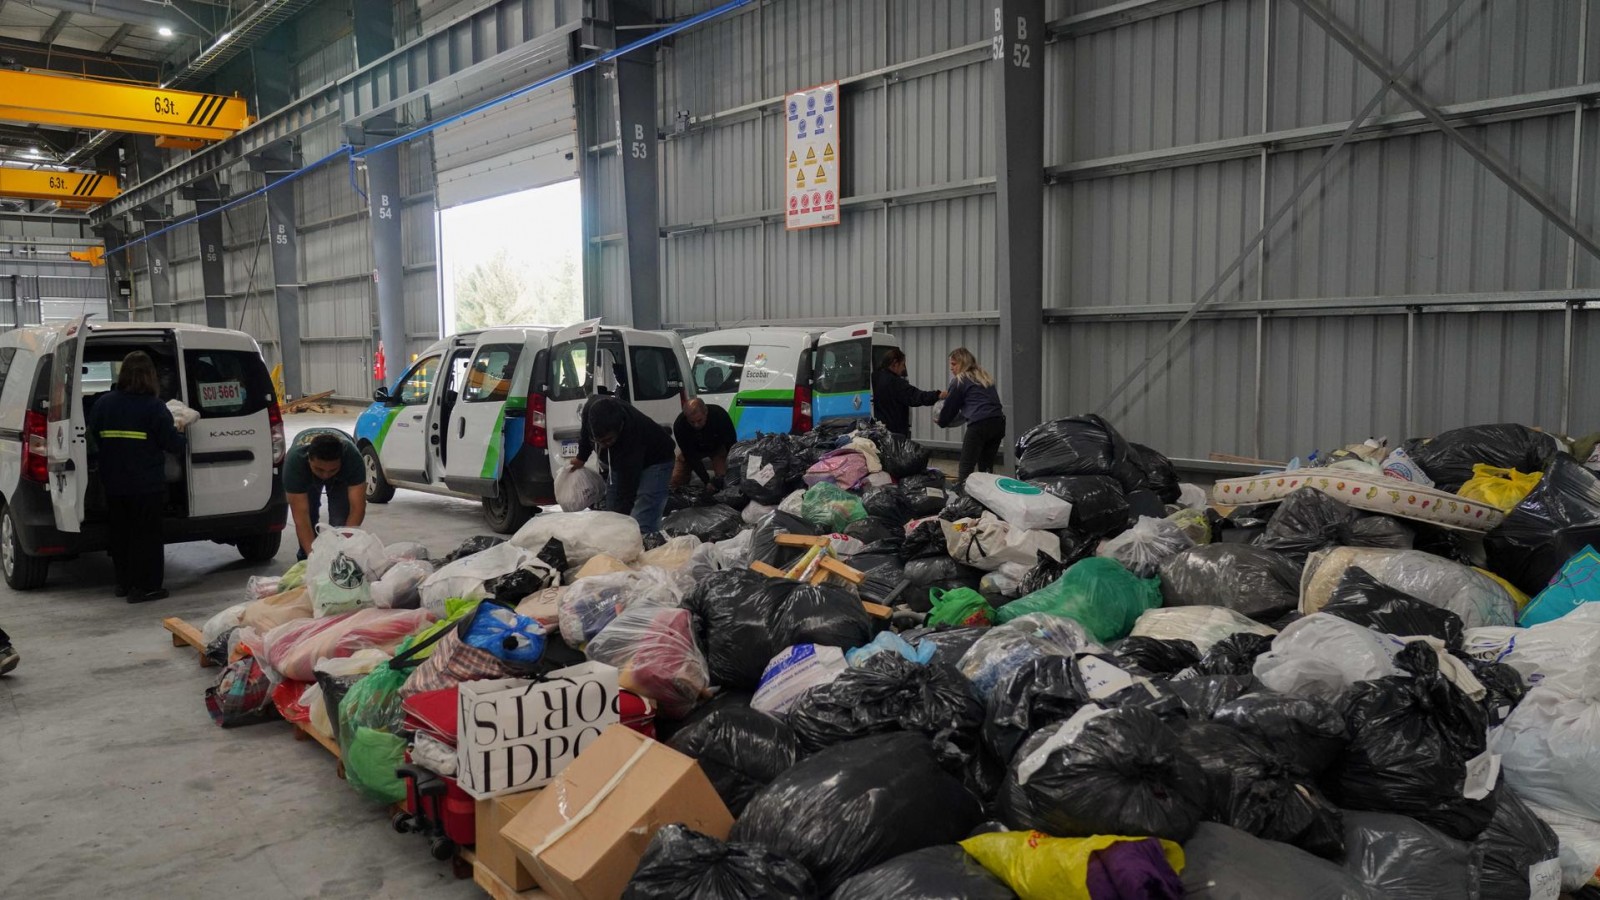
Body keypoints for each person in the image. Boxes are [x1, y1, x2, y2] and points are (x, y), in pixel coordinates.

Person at [87, 350, 187, 603]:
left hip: (114, 483)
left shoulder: (104, 404)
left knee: (121, 535)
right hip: (146, 485)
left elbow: (93, 438)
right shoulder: (154, 407)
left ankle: (124, 583)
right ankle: (147, 587)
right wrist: (180, 431)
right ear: (150, 376)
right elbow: (172, 444)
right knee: (147, 537)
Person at [571, 395, 674, 532]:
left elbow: (628, 489)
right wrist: (581, 458)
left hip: (657, 460)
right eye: (599, 441)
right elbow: (585, 434)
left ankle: (643, 541)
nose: (604, 445)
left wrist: (622, 523)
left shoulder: (632, 435)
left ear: (620, 427)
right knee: (611, 514)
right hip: (621, 461)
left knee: (642, 517)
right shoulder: (590, 410)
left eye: (608, 440)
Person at [284, 428, 368, 560]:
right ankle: (305, 559)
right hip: (306, 475)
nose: (325, 475)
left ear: (341, 461)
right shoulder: (295, 463)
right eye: (319, 469)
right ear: (309, 459)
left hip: (342, 477)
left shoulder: (352, 458)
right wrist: (313, 558)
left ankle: (339, 557)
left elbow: (358, 508)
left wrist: (343, 549)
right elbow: (301, 518)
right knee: (310, 516)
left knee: (340, 521)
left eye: (332, 470)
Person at [937, 347, 1007, 484]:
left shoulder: (960, 380)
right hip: (998, 424)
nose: (951, 368)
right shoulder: (984, 377)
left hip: (980, 426)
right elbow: (971, 411)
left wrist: (941, 421)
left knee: (966, 467)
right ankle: (987, 492)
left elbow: (950, 408)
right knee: (986, 467)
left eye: (953, 364)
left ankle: (963, 495)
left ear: (962, 363)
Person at [872, 348, 946, 438]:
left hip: (877, 431)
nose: (903, 368)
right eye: (903, 364)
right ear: (895, 363)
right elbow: (916, 396)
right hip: (894, 433)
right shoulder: (895, 383)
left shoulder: (874, 378)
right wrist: (937, 395)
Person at [671, 398, 736, 489]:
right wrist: (706, 481)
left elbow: (731, 443)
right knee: (676, 481)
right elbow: (690, 455)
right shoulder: (680, 424)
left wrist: (735, 468)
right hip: (692, 450)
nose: (696, 425)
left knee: (723, 480)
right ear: (686, 418)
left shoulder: (719, 415)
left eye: (699, 420)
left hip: (716, 448)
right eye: (692, 422)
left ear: (706, 412)